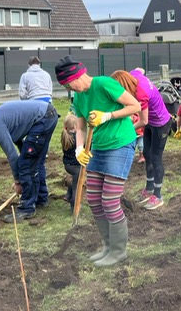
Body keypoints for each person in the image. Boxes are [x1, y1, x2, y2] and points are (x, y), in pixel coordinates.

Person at [56, 56, 140, 266]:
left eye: (68, 83)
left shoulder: (103, 84)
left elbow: (135, 106)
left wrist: (108, 116)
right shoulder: (79, 97)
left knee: (110, 202)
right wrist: (78, 149)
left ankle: (118, 251)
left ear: (77, 75)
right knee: (94, 199)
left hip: (120, 144)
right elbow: (82, 126)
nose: (68, 88)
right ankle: (108, 246)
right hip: (99, 148)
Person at [0, 99, 58, 222]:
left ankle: (27, 208)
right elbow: (18, 140)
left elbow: (12, 155)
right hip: (48, 114)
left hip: (43, 118)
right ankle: (40, 199)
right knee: (35, 161)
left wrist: (18, 182)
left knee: (25, 165)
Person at [112, 68, 173, 210]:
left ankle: (158, 196)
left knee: (156, 157)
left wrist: (125, 130)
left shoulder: (141, 94)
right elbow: (141, 69)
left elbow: (143, 121)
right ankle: (149, 188)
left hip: (160, 124)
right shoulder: (134, 75)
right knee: (146, 153)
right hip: (151, 123)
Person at [60, 114, 81, 211]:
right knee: (77, 186)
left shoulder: (65, 135)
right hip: (76, 166)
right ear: (76, 126)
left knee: (75, 180)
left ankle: (68, 195)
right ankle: (74, 206)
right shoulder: (77, 138)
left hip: (68, 165)